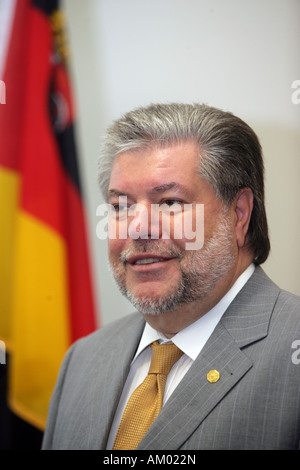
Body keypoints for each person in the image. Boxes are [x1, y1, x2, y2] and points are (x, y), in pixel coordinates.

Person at [42, 103, 300, 450]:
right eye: (121, 207)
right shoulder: (83, 359)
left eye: (169, 203)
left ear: (239, 215)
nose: (138, 228)